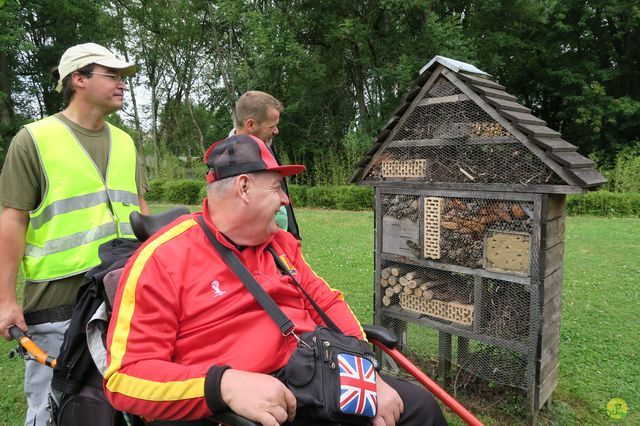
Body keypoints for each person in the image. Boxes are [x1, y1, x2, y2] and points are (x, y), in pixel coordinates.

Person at [103, 134, 446, 426]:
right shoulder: (161, 260)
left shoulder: (280, 244)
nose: (286, 199)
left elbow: (327, 304)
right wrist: (224, 385)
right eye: (278, 187)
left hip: (309, 379)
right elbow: (125, 378)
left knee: (418, 409)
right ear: (244, 188)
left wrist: (365, 377)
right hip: (233, 408)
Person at [0, 42, 149, 425]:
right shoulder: (33, 140)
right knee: (54, 408)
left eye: (123, 77)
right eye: (112, 76)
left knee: (125, 404)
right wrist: (5, 300)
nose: (122, 84)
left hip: (124, 298)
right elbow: (13, 221)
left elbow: (141, 214)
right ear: (78, 80)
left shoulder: (126, 142)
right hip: (58, 305)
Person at [231, 90, 301, 239]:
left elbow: (281, 194)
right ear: (251, 125)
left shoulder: (265, 146)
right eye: (272, 126)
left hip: (281, 240)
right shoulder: (226, 161)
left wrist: (293, 235)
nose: (276, 131)